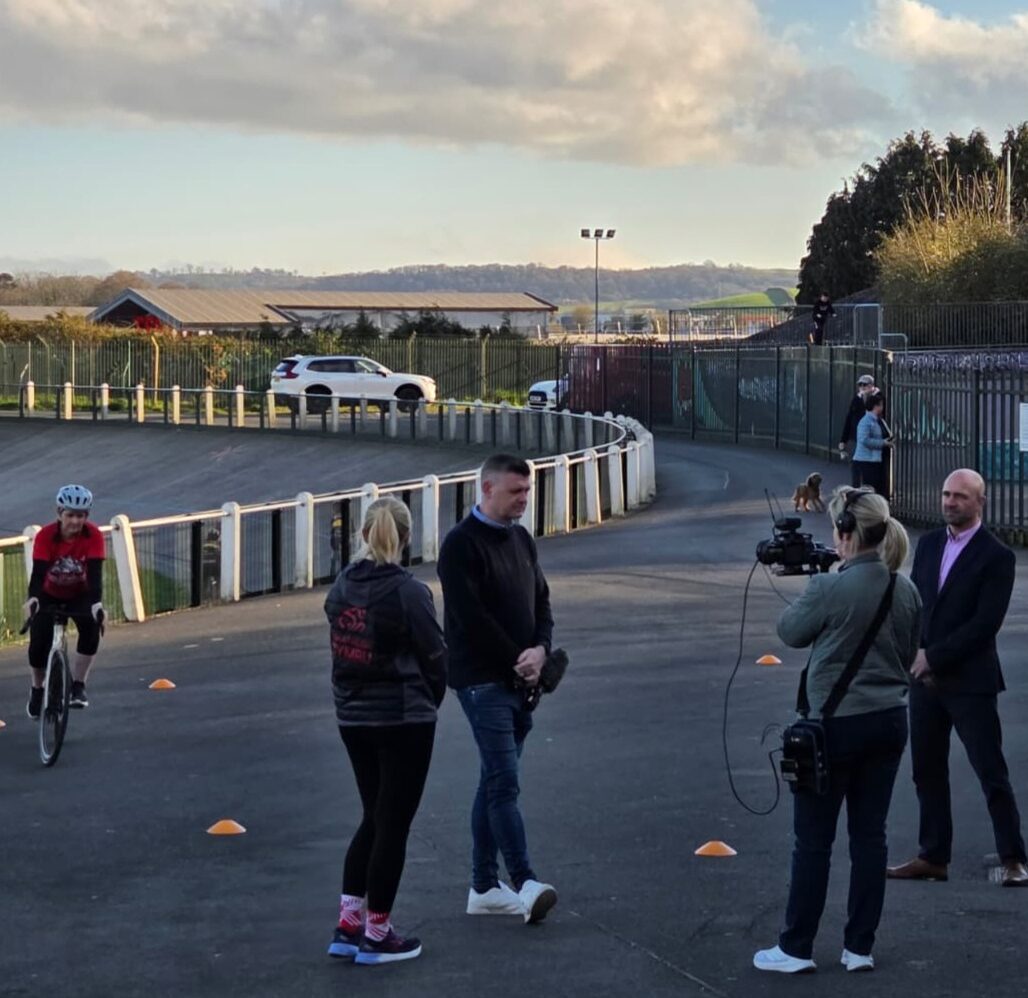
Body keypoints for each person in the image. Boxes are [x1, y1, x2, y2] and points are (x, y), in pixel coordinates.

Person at [754, 487, 921, 974]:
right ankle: (859, 947)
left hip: (833, 726)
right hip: (889, 720)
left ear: (845, 534)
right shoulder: (903, 587)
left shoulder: (829, 588)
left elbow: (790, 631)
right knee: (871, 837)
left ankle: (796, 947)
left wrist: (818, 581)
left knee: (814, 841)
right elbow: (911, 650)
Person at [888, 469, 1028, 887]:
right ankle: (933, 855)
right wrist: (914, 653)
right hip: (924, 682)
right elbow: (915, 605)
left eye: (960, 497)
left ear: (979, 502)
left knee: (991, 771)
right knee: (926, 770)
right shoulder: (928, 544)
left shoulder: (997, 556)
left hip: (970, 682)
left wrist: (934, 657)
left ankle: (1014, 857)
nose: (950, 502)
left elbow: (985, 624)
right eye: (946, 494)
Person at [324, 496, 447, 965]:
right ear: (407, 536)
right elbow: (435, 654)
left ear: (361, 535)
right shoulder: (410, 592)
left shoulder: (341, 587)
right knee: (393, 825)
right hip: (403, 717)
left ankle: (349, 923)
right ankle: (379, 932)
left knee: (372, 817)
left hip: (353, 717)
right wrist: (431, 698)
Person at [437, 453, 557, 924]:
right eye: (515, 492)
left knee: (493, 780)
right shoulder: (460, 546)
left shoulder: (522, 539)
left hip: (522, 680)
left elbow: (542, 601)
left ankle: (484, 886)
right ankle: (525, 882)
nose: (523, 500)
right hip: (481, 682)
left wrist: (542, 651)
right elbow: (471, 619)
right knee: (504, 782)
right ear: (486, 489)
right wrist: (518, 658)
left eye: (526, 492)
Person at [23, 484, 105, 714]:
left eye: (80, 516)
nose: (75, 522)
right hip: (48, 594)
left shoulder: (94, 535)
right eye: (70, 515)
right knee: (38, 645)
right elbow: (38, 573)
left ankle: (78, 685)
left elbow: (96, 575)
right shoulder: (46, 536)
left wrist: (97, 604)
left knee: (91, 628)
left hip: (80, 594)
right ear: (59, 513)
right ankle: (37, 689)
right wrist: (33, 600)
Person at [838, 375, 879, 483]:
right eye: (860, 385)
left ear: (871, 386)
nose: (862, 387)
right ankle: (856, 492)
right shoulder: (856, 399)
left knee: (868, 469)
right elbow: (849, 419)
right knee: (855, 467)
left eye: (864, 384)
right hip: (856, 439)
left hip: (870, 439)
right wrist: (843, 440)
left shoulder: (877, 398)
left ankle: (867, 492)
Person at [851, 394, 890, 496]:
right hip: (865, 461)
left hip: (876, 460)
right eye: (881, 405)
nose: (883, 407)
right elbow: (864, 440)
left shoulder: (879, 420)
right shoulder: (866, 421)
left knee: (878, 490)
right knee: (866, 491)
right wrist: (883, 443)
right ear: (875, 406)